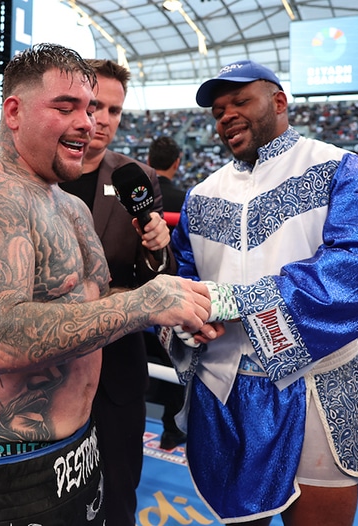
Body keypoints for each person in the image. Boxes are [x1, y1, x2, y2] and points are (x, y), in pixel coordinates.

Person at [0, 44, 209, 525]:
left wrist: (170, 306)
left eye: (91, 109)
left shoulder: (65, 205)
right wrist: (142, 307)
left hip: (78, 447)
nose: (87, 123)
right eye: (65, 107)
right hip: (0, 469)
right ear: (14, 111)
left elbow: (93, 301)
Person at [168, 60, 358, 524]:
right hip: (223, 385)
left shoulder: (339, 169)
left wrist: (235, 301)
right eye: (218, 110)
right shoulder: (201, 194)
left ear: (278, 102)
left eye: (239, 101)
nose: (226, 115)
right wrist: (190, 323)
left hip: (319, 381)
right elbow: (186, 277)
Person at [58, 57, 178, 526]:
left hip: (117, 365)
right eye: (95, 106)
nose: (102, 120)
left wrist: (157, 247)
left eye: (114, 110)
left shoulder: (136, 178)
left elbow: (158, 280)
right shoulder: (35, 174)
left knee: (118, 492)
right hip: (44, 371)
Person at [146, 135, 189, 451]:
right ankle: (172, 432)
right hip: (173, 294)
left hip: (139, 292)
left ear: (148, 161)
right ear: (177, 162)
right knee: (176, 361)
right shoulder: (185, 199)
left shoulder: (138, 198)